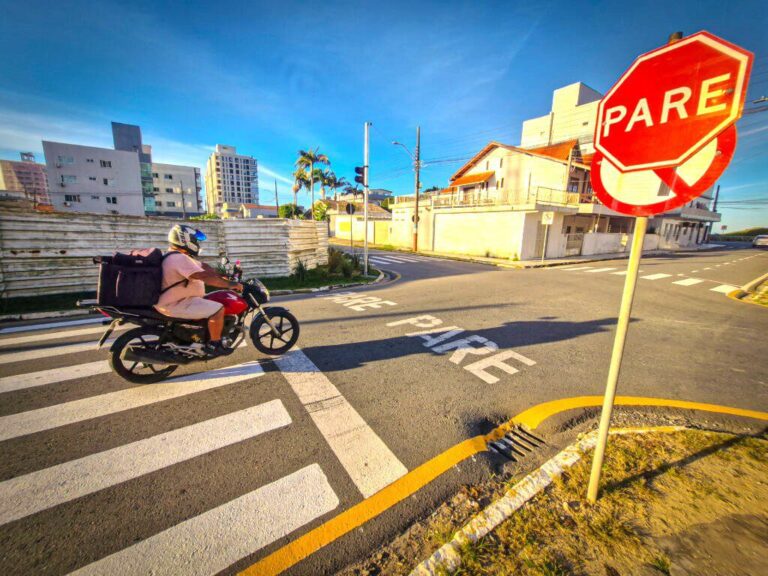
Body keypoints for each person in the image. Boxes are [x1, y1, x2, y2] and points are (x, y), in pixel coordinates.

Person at [155, 224, 243, 358]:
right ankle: (214, 344)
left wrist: (224, 275)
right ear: (184, 240)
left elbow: (205, 268)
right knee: (218, 309)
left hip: (181, 301)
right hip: (175, 304)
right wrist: (231, 284)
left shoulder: (178, 256)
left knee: (210, 302)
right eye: (195, 240)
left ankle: (202, 337)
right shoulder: (179, 259)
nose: (197, 243)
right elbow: (204, 277)